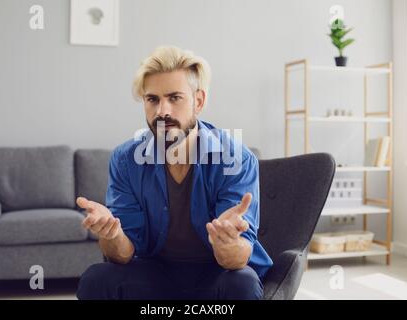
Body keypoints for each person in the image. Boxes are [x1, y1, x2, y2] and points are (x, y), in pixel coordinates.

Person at [76, 46, 273, 300]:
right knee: (96, 279)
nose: (162, 111)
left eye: (174, 98)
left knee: (241, 284)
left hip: (215, 272)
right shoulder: (126, 160)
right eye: (152, 99)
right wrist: (113, 235)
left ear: (198, 101)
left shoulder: (236, 159)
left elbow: (236, 259)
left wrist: (228, 243)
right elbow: (123, 254)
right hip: (154, 272)